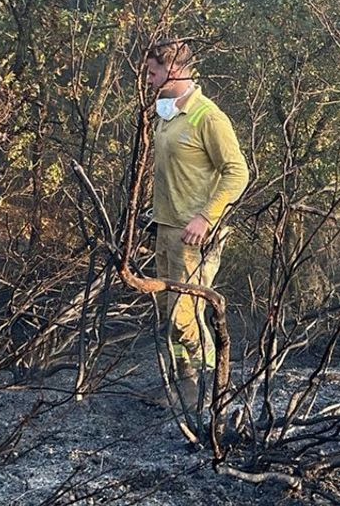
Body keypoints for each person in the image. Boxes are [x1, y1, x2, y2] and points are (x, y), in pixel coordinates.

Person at [143, 40, 248, 409]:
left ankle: (210, 386)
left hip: (194, 235)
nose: (149, 77)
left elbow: (237, 173)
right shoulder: (168, 113)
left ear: (173, 69)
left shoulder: (209, 116)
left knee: (184, 315)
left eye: (154, 71)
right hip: (166, 228)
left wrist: (206, 217)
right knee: (166, 311)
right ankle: (183, 385)